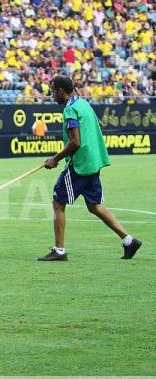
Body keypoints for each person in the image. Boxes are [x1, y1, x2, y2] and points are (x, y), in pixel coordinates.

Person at [38, 76, 142, 261]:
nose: (52, 95)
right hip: (93, 162)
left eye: (53, 91)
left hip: (80, 165)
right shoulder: (83, 104)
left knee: (58, 202)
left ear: (61, 91)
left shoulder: (70, 109)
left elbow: (75, 142)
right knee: (95, 206)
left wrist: (54, 159)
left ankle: (59, 251)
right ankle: (129, 241)